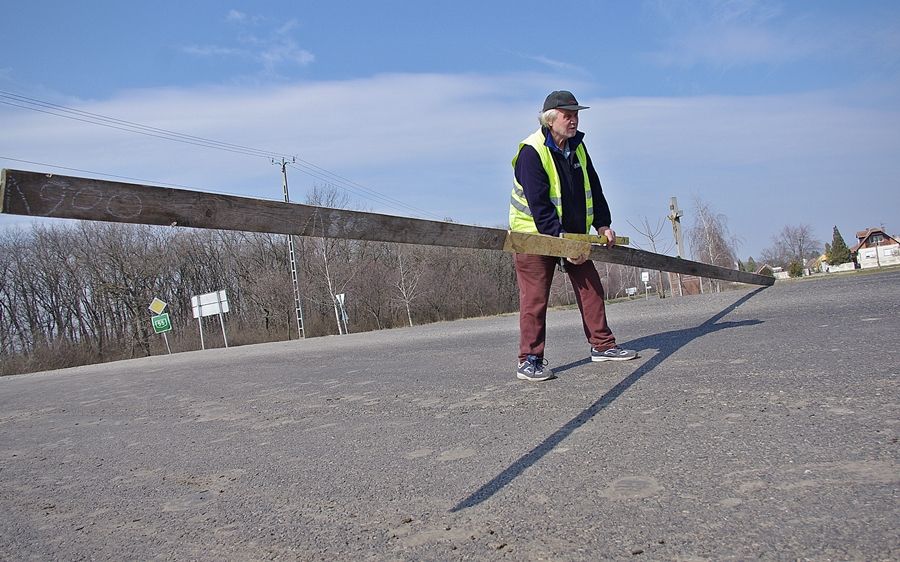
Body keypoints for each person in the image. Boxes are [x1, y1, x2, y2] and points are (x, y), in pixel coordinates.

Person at [509, 90, 637, 382]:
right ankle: (529, 360)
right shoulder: (531, 152)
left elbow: (594, 187)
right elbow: (540, 206)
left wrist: (603, 225)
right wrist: (560, 240)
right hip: (532, 237)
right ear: (551, 119)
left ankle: (602, 346)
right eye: (568, 115)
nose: (574, 120)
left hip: (571, 236)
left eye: (576, 114)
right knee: (535, 299)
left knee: (591, 287)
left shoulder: (578, 148)